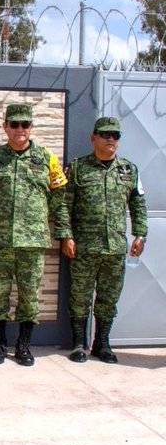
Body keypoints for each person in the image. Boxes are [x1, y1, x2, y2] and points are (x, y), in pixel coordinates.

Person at [0, 103, 69, 366]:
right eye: (14, 124)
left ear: (31, 127)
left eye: (24, 124)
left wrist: (36, 218)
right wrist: (4, 217)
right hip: (0, 240)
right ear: (5, 126)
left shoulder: (47, 159)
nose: (19, 129)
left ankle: (24, 346)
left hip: (32, 241)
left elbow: (58, 197)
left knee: (29, 294)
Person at [61, 116, 147, 364]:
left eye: (115, 135)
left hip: (115, 247)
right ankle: (78, 344)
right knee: (80, 296)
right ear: (93, 138)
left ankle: (102, 343)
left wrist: (140, 234)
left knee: (108, 298)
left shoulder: (128, 170)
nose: (111, 139)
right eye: (105, 134)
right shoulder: (77, 168)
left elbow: (138, 205)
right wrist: (66, 236)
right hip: (83, 247)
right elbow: (65, 206)